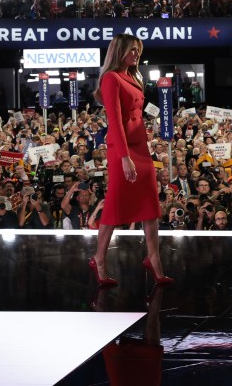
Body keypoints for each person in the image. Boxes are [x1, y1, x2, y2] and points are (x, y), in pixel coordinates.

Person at [90, 34, 172, 287]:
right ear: (120, 51)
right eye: (132, 50)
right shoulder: (110, 78)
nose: (137, 55)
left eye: (138, 50)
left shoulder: (132, 76)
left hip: (140, 146)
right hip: (122, 148)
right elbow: (114, 120)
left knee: (150, 204)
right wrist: (125, 158)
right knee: (115, 205)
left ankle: (154, 259)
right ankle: (99, 259)